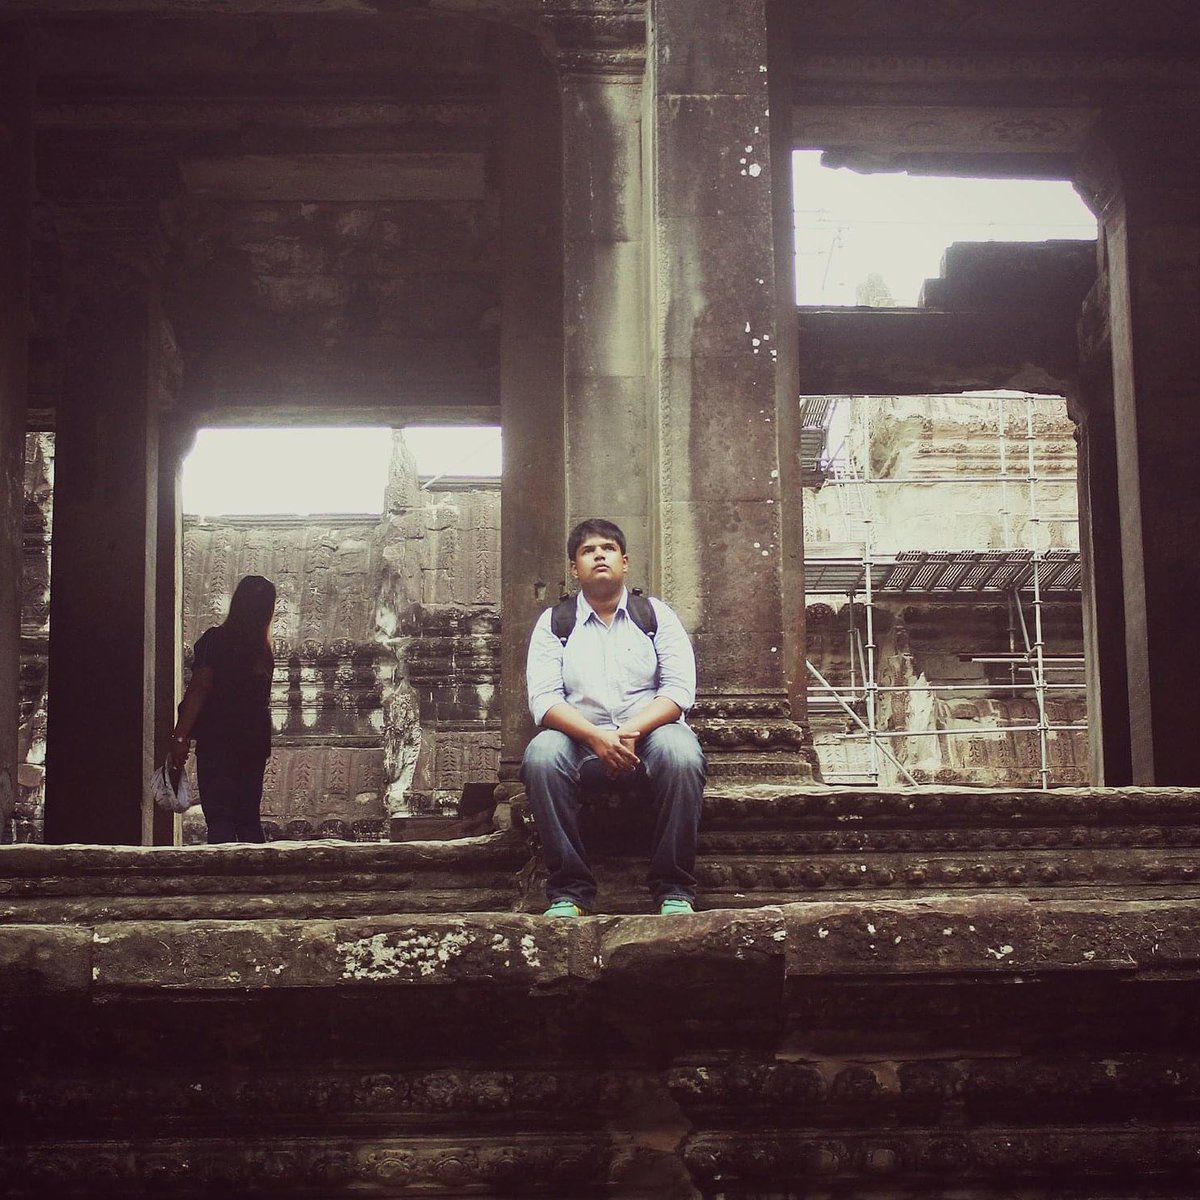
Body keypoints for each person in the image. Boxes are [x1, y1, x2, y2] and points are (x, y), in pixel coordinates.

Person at [522, 518, 706, 916]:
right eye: (588, 551)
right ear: (575, 569)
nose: (598, 555)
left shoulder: (653, 616)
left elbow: (677, 691)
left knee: (682, 754)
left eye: (607, 548)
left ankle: (674, 886)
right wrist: (595, 738)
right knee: (540, 755)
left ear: (625, 562)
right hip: (578, 738)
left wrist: (629, 732)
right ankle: (569, 890)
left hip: (650, 732)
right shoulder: (555, 623)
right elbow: (544, 700)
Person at [169, 575, 277, 844]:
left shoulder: (215, 641)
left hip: (219, 738)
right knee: (248, 816)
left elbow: (200, 688)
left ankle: (223, 879)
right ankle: (257, 878)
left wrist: (180, 737)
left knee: (220, 816)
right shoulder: (263, 653)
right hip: (253, 740)